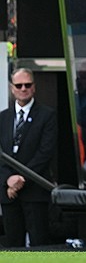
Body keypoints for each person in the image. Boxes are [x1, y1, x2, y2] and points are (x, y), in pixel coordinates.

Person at [0, 68, 57, 247]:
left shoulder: (47, 115)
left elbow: (45, 153)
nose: (23, 88)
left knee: (39, 245)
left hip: (35, 191)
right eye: (19, 85)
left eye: (27, 84)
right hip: (8, 192)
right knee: (12, 245)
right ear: (12, 88)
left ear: (34, 87)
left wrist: (21, 179)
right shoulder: (3, 117)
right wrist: (8, 180)